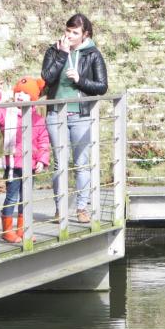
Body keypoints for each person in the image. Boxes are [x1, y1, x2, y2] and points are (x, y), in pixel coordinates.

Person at [41, 13, 108, 224]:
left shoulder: (93, 54)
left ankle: (81, 208)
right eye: (68, 31)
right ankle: (60, 209)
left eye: (75, 33)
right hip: (55, 114)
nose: (69, 35)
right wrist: (61, 54)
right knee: (59, 164)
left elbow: (102, 86)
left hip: (81, 115)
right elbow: (47, 77)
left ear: (84, 34)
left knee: (81, 164)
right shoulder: (54, 50)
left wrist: (80, 80)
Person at [0, 76, 51, 243]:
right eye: (18, 92)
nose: (20, 95)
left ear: (33, 98)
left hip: (30, 164)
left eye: (25, 93)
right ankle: (7, 230)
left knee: (26, 197)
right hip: (13, 164)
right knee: (12, 196)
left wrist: (42, 160)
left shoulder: (37, 119)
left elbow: (43, 141)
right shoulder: (7, 114)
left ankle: (22, 229)